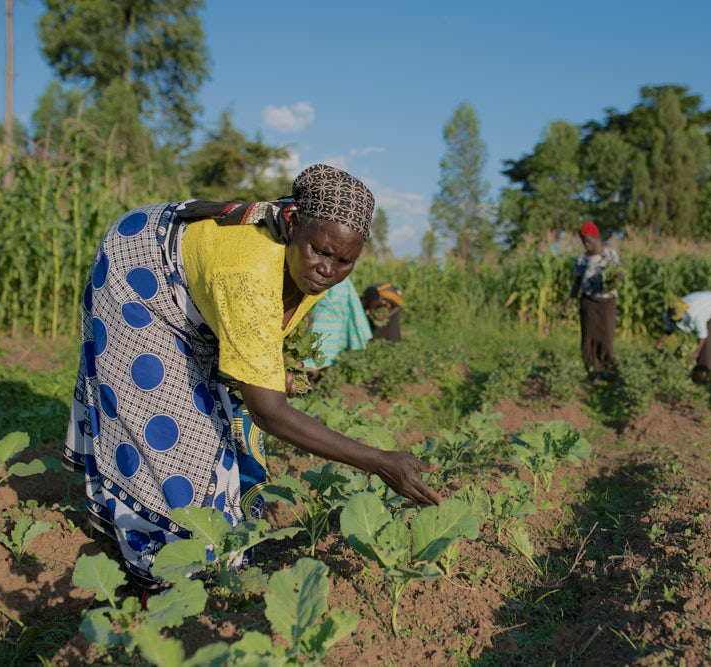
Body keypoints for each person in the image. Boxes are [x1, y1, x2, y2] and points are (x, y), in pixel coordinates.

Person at [63, 164, 441, 588]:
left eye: (344, 261)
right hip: (139, 270)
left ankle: (224, 547)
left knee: (226, 420)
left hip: (197, 287)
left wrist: (275, 364)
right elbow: (268, 411)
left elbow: (270, 327)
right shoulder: (248, 270)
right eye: (320, 251)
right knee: (170, 428)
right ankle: (158, 559)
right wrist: (378, 461)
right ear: (294, 224)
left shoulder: (311, 256)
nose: (327, 270)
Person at [561, 221, 623, 382]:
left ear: (596, 238)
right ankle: (593, 372)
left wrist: (617, 276)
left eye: (589, 240)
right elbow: (576, 283)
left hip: (607, 302)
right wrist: (568, 303)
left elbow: (620, 274)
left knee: (606, 338)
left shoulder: (610, 254)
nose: (586, 245)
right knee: (589, 338)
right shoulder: (581, 259)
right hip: (588, 302)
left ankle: (607, 370)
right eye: (583, 241)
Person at [304, 276, 373, 381]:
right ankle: (312, 386)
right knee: (317, 357)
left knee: (321, 357)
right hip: (327, 320)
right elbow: (353, 307)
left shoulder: (342, 280)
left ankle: (314, 386)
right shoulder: (341, 279)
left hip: (330, 321)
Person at [655, 291, 711, 383]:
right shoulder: (669, 312)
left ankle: (704, 372)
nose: (674, 322)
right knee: (710, 342)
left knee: (709, 339)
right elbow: (669, 327)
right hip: (703, 301)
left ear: (683, 314)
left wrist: (695, 353)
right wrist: (660, 342)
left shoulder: (695, 315)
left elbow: (702, 335)